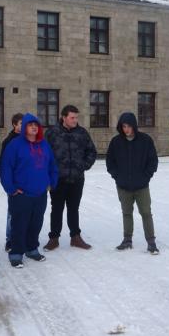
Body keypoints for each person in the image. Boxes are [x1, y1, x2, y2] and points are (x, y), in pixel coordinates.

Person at [0, 113, 58, 268]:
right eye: (30, 124)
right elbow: (6, 168)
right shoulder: (15, 145)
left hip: (40, 193)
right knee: (19, 224)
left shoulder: (44, 144)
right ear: (24, 127)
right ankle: (16, 253)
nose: (34, 127)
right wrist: (10, 188)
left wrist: (52, 182)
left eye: (36, 125)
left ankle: (32, 249)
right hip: (21, 194)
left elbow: (52, 165)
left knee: (36, 223)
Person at [43, 105, 97, 250]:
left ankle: (75, 237)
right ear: (64, 117)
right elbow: (44, 155)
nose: (75, 120)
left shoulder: (82, 133)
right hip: (58, 179)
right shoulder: (52, 133)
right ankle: (54, 238)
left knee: (74, 208)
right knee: (57, 209)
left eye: (76, 117)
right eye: (72, 117)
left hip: (77, 179)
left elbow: (92, 151)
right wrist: (50, 173)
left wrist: (83, 166)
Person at [105, 112, 159, 254]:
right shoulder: (116, 142)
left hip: (142, 186)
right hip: (123, 186)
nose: (126, 129)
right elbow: (110, 162)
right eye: (124, 126)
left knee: (146, 213)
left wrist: (146, 177)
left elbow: (153, 161)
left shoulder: (145, 140)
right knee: (126, 213)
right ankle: (127, 239)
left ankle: (151, 242)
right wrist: (117, 176)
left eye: (129, 126)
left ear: (134, 126)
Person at [0, 113, 24, 252]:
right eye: (21, 123)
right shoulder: (9, 141)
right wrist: (10, 186)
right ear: (14, 125)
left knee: (26, 213)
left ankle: (23, 238)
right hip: (15, 184)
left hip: (27, 183)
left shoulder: (29, 140)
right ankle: (10, 240)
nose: (24, 126)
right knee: (12, 213)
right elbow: (5, 166)